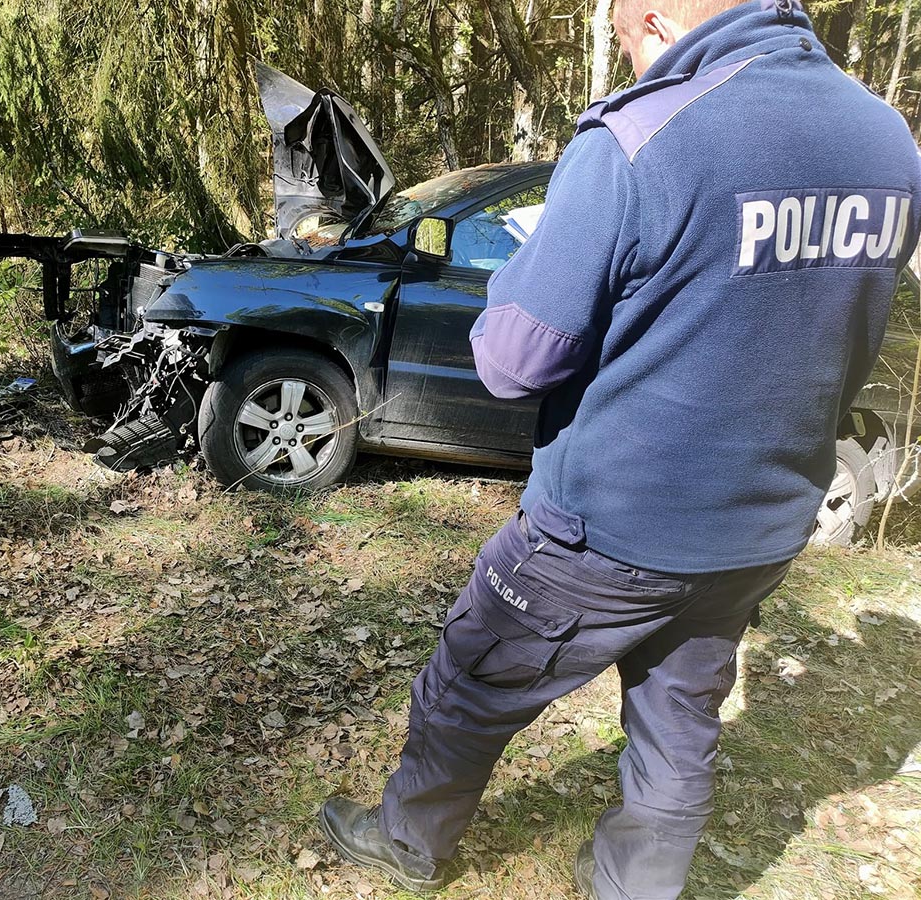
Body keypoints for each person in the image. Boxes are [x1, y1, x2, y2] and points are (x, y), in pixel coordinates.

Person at [318, 0, 921, 896]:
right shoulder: (886, 141)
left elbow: (512, 364)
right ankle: (636, 885)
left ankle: (407, 840)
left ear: (654, 22)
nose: (634, 58)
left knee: (471, 680)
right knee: (678, 727)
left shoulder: (641, 138)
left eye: (628, 40)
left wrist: (531, 270)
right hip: (757, 527)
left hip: (607, 526)